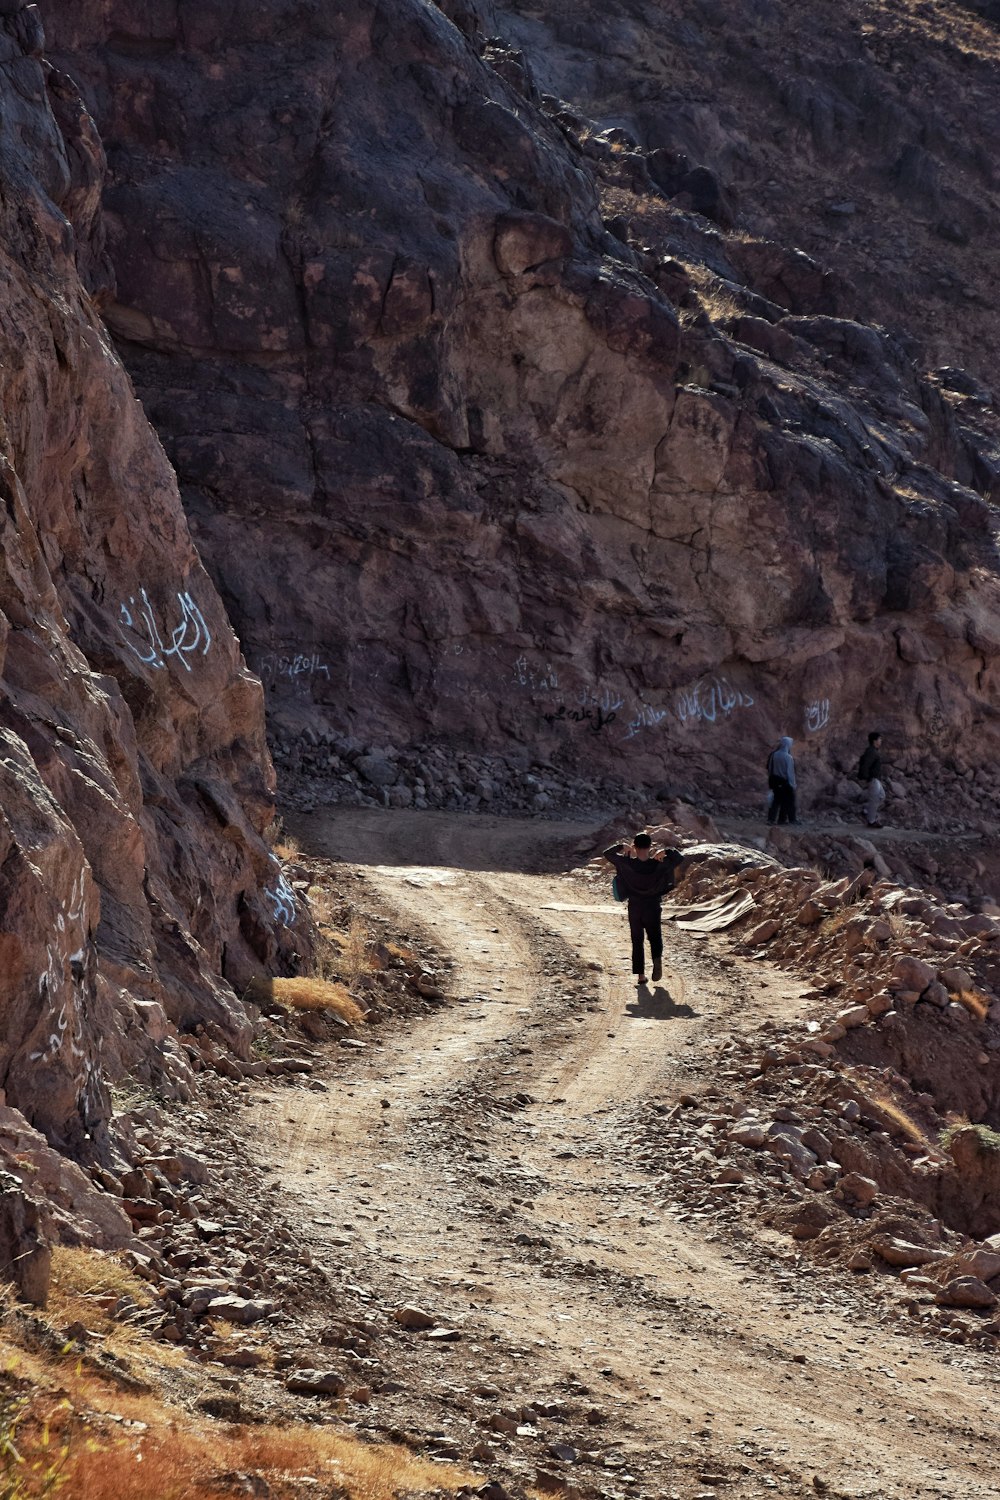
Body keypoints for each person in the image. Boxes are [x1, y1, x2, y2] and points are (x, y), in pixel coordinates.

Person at [603, 833, 683, 985]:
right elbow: (679, 858)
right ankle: (657, 960)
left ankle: (640, 975)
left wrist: (621, 847)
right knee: (655, 937)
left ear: (634, 847)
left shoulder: (626, 864)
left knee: (637, 940)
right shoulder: (659, 863)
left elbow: (607, 854)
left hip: (635, 907)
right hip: (653, 906)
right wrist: (665, 851)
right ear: (650, 847)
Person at [766, 736, 797, 825]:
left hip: (774, 780)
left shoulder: (774, 754)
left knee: (775, 801)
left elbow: (770, 768)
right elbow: (790, 772)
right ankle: (784, 820)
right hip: (784, 782)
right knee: (788, 801)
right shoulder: (788, 757)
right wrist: (793, 784)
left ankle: (771, 819)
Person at [858, 730, 885, 828]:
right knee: (875, 799)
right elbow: (865, 766)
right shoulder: (871, 752)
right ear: (874, 741)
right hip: (872, 779)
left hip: (876, 779)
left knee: (882, 796)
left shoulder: (873, 751)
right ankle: (871, 821)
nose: (881, 741)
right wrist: (867, 778)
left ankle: (866, 810)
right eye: (879, 739)